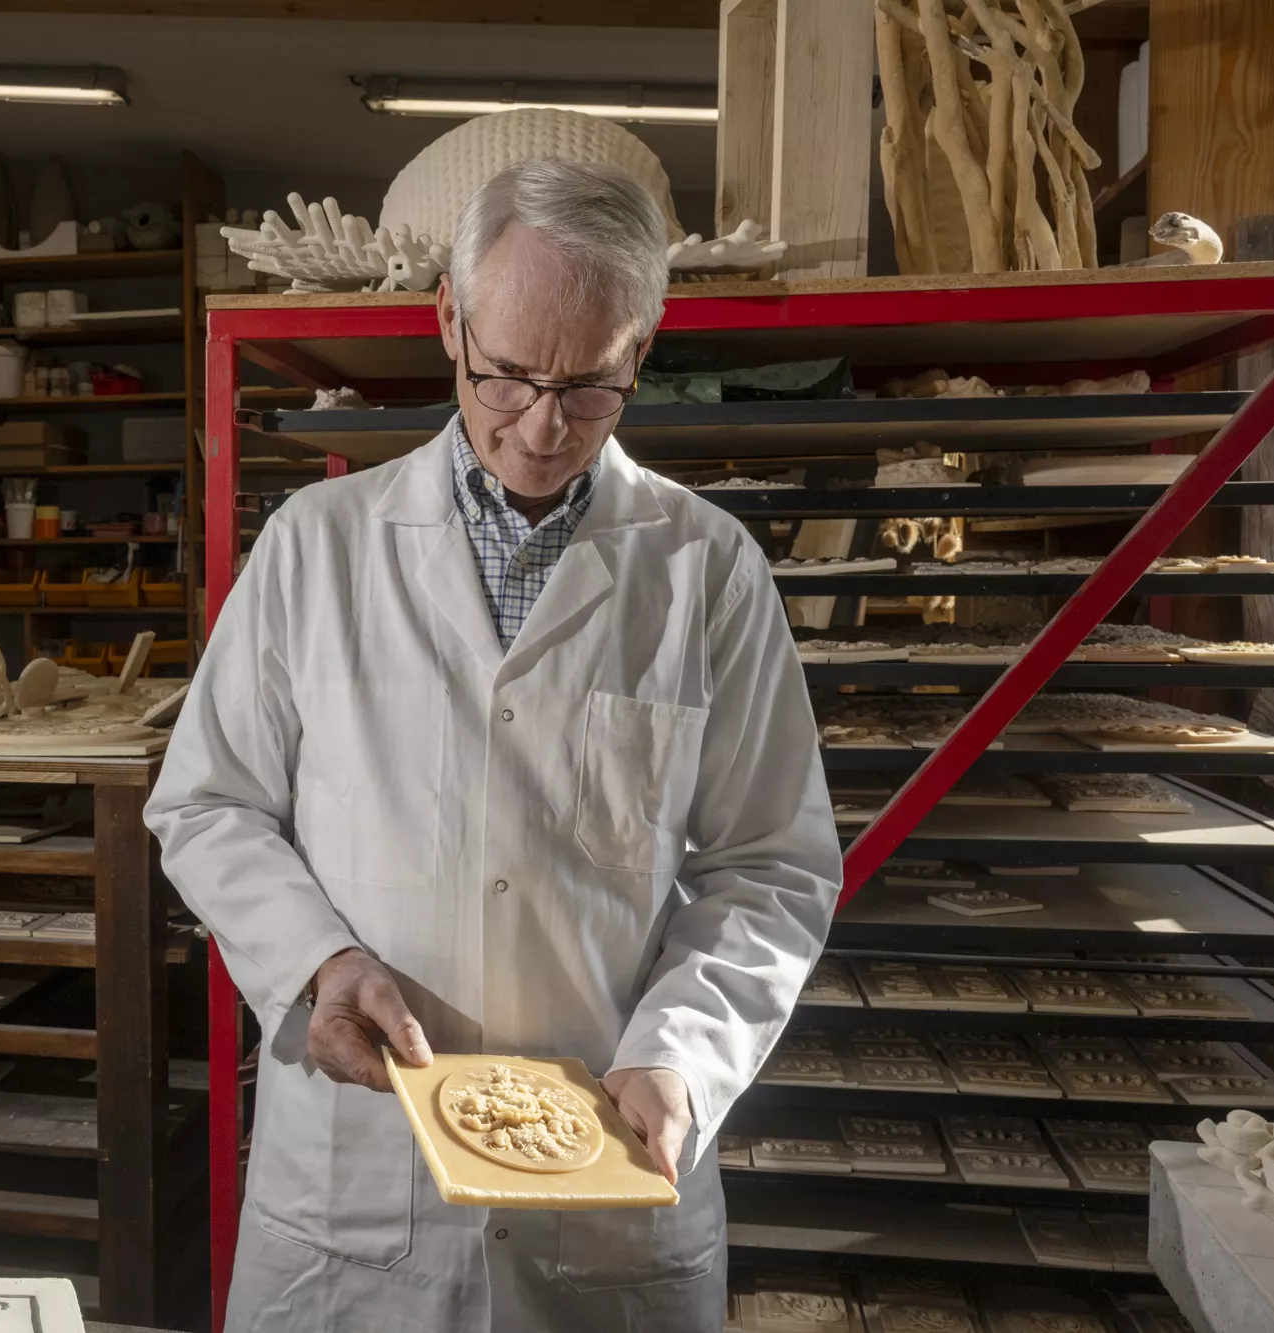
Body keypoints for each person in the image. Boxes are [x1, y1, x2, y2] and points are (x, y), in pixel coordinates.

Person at [145, 157, 842, 1332]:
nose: (537, 428)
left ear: (641, 351)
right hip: (356, 1197)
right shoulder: (319, 548)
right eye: (507, 375)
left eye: (587, 387)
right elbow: (207, 804)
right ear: (447, 323)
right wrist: (319, 962)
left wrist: (679, 1052)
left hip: (605, 1195)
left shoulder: (706, 568)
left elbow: (768, 865)